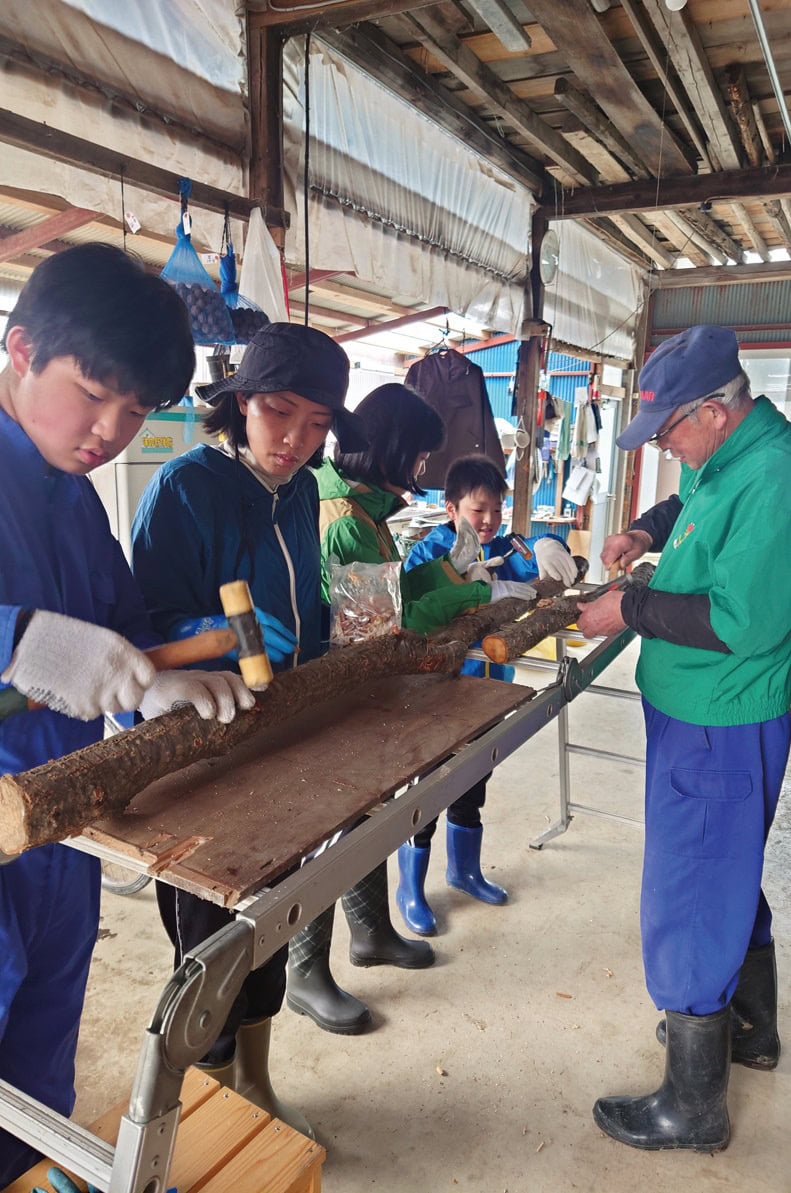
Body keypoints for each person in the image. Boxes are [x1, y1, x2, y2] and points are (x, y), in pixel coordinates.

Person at [0, 243, 253, 1186]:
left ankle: (29, 1165)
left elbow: (122, 627)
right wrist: (20, 639)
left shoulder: (71, 495)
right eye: (93, 391)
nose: (111, 428)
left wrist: (163, 668)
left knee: (43, 1025)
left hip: (58, 818)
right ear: (21, 347)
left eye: (137, 408)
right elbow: (50, 646)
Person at [131, 322, 368, 1134]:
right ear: (238, 403)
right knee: (210, 938)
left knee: (271, 922)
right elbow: (147, 630)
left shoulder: (301, 487)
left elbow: (310, 598)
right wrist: (226, 633)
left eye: (316, 425)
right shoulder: (185, 487)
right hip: (199, 755)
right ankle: (211, 1110)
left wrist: (334, 643)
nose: (296, 440)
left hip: (286, 737)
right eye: (278, 413)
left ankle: (256, 1092)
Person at [575, 324, 791, 1154]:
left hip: (718, 720)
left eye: (667, 431)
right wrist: (642, 529)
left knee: (692, 888)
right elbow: (696, 502)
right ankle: (748, 1031)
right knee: (727, 867)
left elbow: (739, 619)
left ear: (713, 409)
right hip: (704, 711)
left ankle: (692, 1106)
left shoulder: (773, 474)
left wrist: (627, 606)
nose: (664, 446)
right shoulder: (735, 451)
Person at [287, 385, 538, 1035]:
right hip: (331, 694)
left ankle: (370, 931)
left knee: (368, 813)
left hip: (353, 690)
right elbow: (372, 628)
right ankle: (303, 970)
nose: (423, 471)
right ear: (395, 448)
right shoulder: (344, 514)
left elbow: (386, 588)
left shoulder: (364, 503)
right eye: (421, 458)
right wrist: (453, 596)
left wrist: (455, 578)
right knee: (324, 827)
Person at [397, 453, 577, 934]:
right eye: (479, 511)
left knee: (474, 780)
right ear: (451, 510)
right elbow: (414, 614)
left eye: (497, 509)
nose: (490, 520)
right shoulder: (428, 555)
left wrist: (547, 542)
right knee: (428, 787)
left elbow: (537, 551)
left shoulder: (505, 546)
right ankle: (410, 888)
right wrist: (471, 592)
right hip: (436, 695)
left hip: (487, 689)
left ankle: (464, 871)